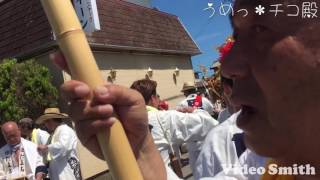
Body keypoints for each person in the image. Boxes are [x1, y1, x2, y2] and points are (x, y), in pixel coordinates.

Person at [54, 0, 320, 177]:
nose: (228, 65)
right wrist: (140, 152)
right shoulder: (258, 167)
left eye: (261, 29)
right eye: (236, 36)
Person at [130, 79, 219, 178]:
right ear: (152, 97)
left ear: (185, 92)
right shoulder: (202, 100)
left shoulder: (125, 122)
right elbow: (209, 119)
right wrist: (195, 111)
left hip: (192, 147)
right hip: (206, 142)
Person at [36, 108, 81, 180]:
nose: (45, 124)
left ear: (52, 120)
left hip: (67, 172)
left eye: (46, 121)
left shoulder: (65, 130)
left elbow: (63, 147)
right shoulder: (53, 134)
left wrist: (47, 147)